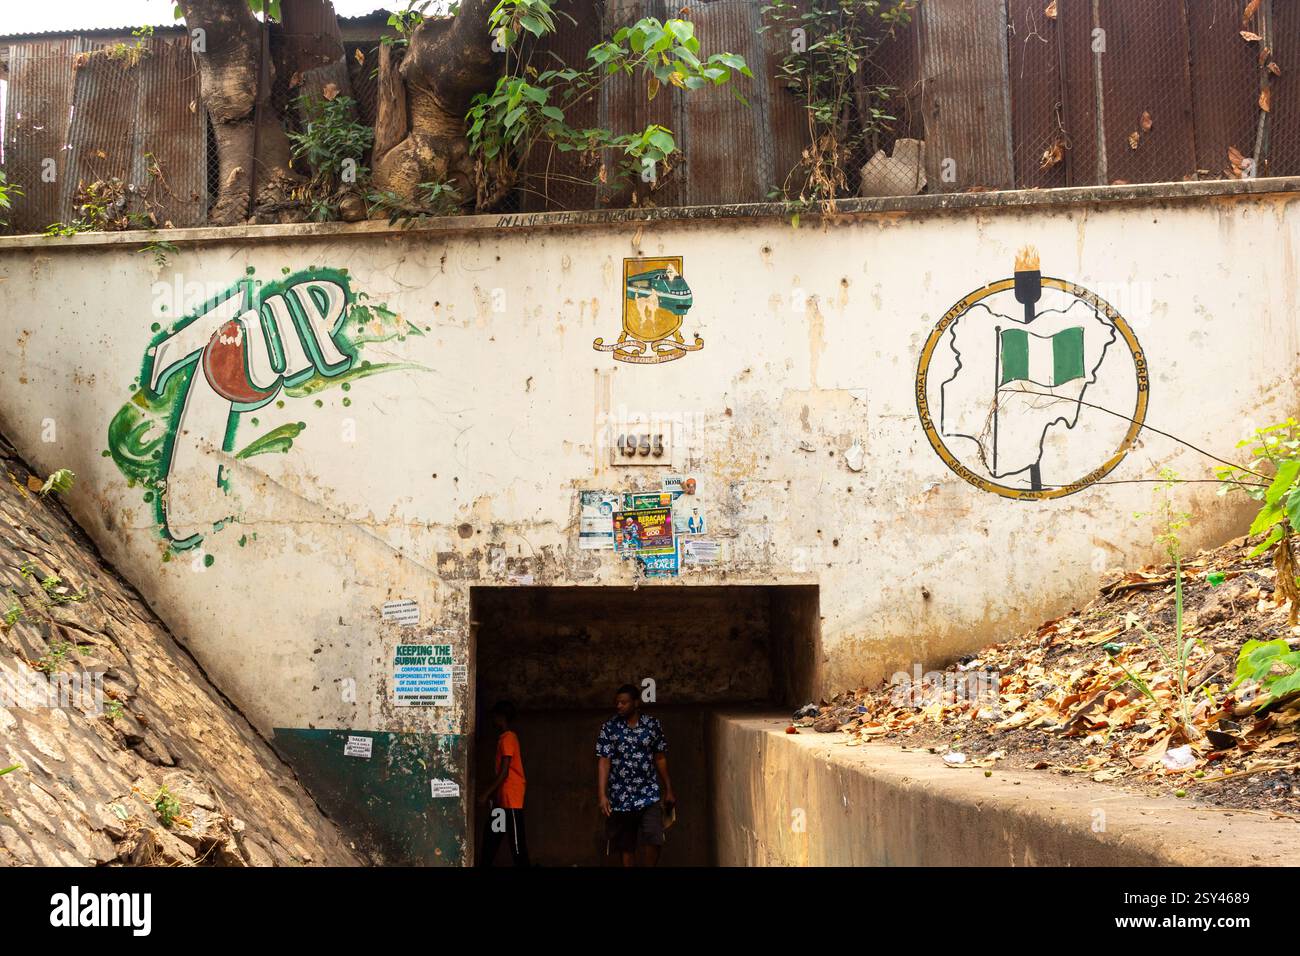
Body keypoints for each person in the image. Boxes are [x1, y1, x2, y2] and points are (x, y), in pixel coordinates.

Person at [596, 684, 675, 866]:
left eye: (624, 703)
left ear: (636, 703)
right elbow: (604, 761)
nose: (619, 706)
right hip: (620, 797)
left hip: (649, 794)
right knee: (626, 845)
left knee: (654, 837)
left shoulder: (652, 725)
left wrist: (669, 789)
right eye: (617, 703)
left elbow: (660, 757)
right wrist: (602, 795)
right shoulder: (609, 728)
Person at [477, 699, 529, 866]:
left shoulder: (508, 738)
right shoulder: (503, 738)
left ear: (500, 717)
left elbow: (504, 772)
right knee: (492, 835)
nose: (492, 720)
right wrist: (493, 794)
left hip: (511, 798)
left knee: (516, 843)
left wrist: (486, 793)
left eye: (494, 717)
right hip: (502, 799)